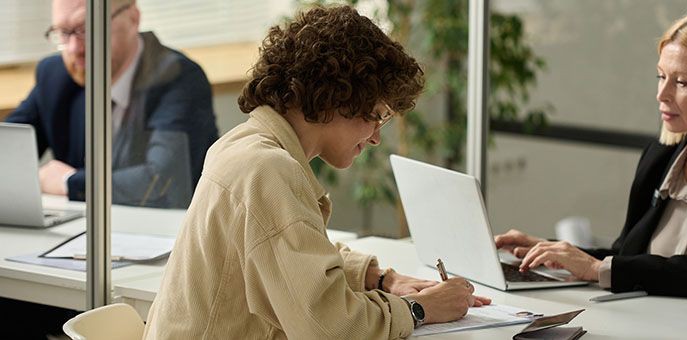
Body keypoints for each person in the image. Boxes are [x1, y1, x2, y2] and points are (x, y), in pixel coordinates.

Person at [143, 6, 491, 339]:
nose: (375, 137)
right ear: (334, 97)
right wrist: (418, 308)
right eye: (375, 114)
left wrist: (379, 278)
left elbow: (291, 253)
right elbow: (332, 330)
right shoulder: (268, 170)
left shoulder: (244, 143)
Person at [495, 8, 687, 297]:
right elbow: (630, 258)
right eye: (660, 76)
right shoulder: (661, 157)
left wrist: (598, 268)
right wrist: (553, 251)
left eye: (681, 82)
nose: (661, 94)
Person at [5, 0, 218, 209]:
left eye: (86, 29)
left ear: (133, 18)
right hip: (81, 231)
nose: (74, 48)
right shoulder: (54, 75)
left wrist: (68, 182)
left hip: (164, 233)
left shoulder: (178, 77)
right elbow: (8, 148)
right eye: (63, 32)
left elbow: (162, 182)